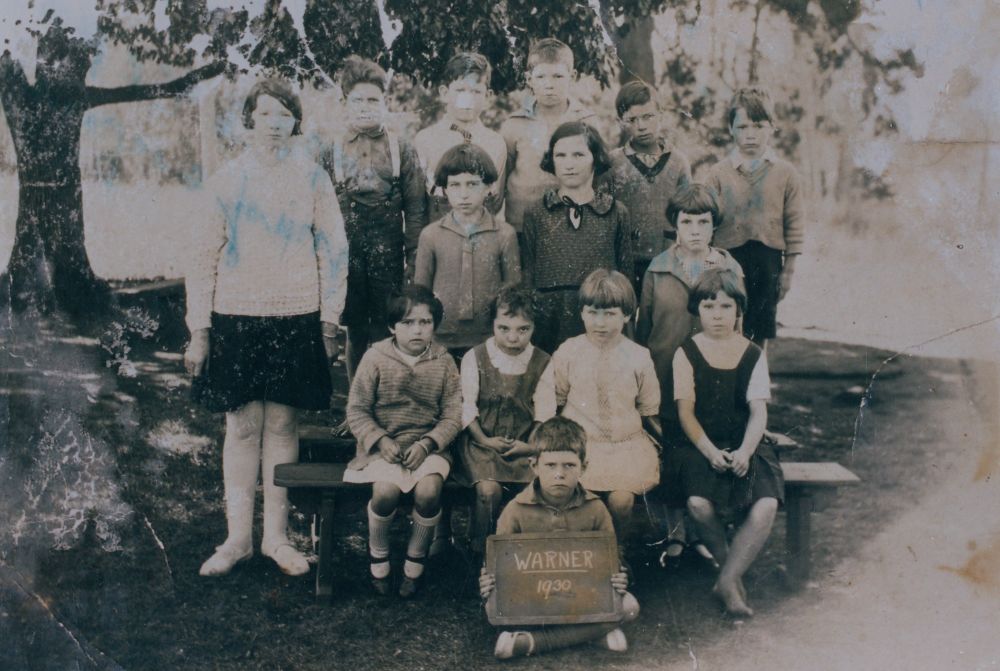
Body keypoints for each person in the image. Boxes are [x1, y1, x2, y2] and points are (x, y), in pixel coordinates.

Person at [184, 78, 349, 578]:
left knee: (282, 426)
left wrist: (328, 320)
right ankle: (237, 539)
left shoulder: (313, 179)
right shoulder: (226, 180)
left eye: (284, 115)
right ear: (249, 120)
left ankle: (277, 538)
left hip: (296, 315)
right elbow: (200, 258)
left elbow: (334, 251)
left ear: (295, 122)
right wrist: (200, 330)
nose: (275, 124)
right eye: (266, 114)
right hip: (236, 317)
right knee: (241, 427)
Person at [635, 184, 744, 561]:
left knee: (705, 450)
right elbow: (644, 328)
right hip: (665, 376)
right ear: (675, 224)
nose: (695, 230)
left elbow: (739, 331)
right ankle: (675, 532)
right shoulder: (658, 268)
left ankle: (705, 531)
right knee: (671, 451)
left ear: (715, 226)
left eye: (703, 222)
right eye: (687, 222)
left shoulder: (729, 267)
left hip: (713, 380)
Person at [668, 268, 784, 616]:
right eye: (708, 306)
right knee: (699, 504)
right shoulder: (686, 353)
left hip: (744, 441)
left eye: (725, 307)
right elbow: (686, 413)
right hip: (700, 443)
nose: (717, 315)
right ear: (697, 310)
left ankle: (726, 581)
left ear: (738, 311)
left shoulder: (752, 354)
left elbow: (758, 412)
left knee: (766, 505)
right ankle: (730, 575)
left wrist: (747, 452)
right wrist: (710, 451)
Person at [478, 417, 640, 659]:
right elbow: (499, 564)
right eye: (551, 465)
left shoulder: (596, 508)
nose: (559, 474)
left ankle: (531, 642)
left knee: (629, 607)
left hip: (581, 595)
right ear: (534, 465)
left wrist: (619, 577)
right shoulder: (515, 509)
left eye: (569, 466)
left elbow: (612, 561)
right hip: (533, 596)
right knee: (496, 606)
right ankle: (595, 632)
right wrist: (487, 580)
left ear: (583, 467)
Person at [344, 285, 462, 598]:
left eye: (425, 322)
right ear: (391, 327)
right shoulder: (375, 357)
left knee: (429, 491)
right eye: (408, 323)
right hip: (385, 448)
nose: (417, 330)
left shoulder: (444, 362)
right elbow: (356, 410)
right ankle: (378, 553)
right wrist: (380, 440)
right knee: (384, 493)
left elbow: (453, 416)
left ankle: (415, 559)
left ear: (434, 325)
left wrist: (428, 444)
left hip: (428, 448)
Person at [539, 270, 661, 566]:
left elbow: (649, 409)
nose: (600, 323)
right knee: (579, 499)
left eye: (610, 313)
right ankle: (578, 560)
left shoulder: (638, 356)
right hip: (581, 448)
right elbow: (549, 403)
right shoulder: (569, 351)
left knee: (621, 500)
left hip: (625, 446)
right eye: (593, 313)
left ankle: (614, 556)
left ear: (627, 316)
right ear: (582, 313)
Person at [321, 56, 427, 384]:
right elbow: (317, 214)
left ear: (385, 103)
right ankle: (357, 403)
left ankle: (386, 402)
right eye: (358, 100)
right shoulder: (330, 150)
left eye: (373, 100)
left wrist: (414, 261)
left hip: (389, 248)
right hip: (347, 250)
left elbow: (417, 209)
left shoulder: (401, 148)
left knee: (387, 325)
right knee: (355, 328)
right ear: (344, 103)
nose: (366, 106)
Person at [454, 286, 553, 557]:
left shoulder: (543, 361)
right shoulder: (476, 356)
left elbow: (544, 413)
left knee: (536, 489)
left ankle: (524, 556)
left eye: (523, 329)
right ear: (493, 325)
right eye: (504, 328)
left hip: (524, 444)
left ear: (533, 328)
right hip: (481, 443)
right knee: (488, 491)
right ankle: (482, 553)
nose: (512, 338)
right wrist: (485, 439)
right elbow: (467, 407)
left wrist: (529, 446)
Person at [522, 122, 634, 354]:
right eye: (560, 155)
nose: (569, 164)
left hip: (599, 318)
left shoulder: (615, 211)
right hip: (549, 321)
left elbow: (626, 280)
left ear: (595, 158)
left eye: (578, 155)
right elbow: (529, 275)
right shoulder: (537, 212)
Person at [706, 87, 805, 346]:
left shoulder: (786, 173)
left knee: (758, 336)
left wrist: (788, 272)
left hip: (768, 263)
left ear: (772, 127)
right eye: (743, 127)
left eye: (759, 126)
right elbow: (706, 224)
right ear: (730, 129)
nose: (750, 134)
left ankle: (757, 384)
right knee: (726, 330)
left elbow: (794, 226)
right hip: (726, 262)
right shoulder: (717, 174)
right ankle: (729, 386)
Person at [413, 144, 520, 356]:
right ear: (444, 189)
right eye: (455, 185)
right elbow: (421, 295)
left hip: (489, 340)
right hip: (441, 339)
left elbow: (512, 293)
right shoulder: (430, 235)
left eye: (472, 184)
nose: (463, 194)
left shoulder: (505, 234)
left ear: (489, 186)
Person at [500, 38, 596, 237]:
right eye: (541, 76)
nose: (549, 85)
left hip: (572, 226)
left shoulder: (587, 122)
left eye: (558, 76)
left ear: (573, 76)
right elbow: (500, 179)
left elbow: (599, 178)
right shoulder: (513, 125)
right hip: (522, 227)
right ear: (529, 79)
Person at [603, 80, 692, 290]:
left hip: (668, 259)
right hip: (622, 262)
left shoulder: (678, 163)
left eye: (648, 117)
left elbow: (689, 214)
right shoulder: (612, 164)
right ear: (620, 122)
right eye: (632, 119)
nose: (641, 126)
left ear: (661, 114)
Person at [414, 51, 507, 222]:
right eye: (460, 90)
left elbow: (497, 203)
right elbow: (416, 205)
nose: (467, 98)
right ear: (444, 93)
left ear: (487, 96)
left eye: (476, 92)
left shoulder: (496, 143)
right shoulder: (425, 140)